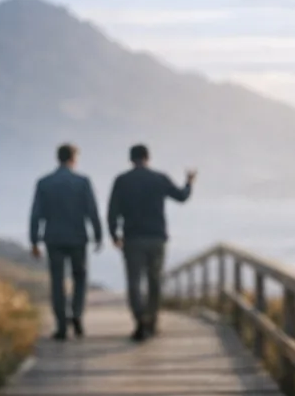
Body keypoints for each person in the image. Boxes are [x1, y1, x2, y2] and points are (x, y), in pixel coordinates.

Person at [107, 143, 196, 341]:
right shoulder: (159, 178)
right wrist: (189, 182)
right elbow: (181, 197)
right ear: (148, 158)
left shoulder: (122, 180)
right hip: (156, 238)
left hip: (132, 238)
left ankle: (140, 319)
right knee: (154, 280)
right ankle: (152, 320)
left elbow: (112, 211)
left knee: (134, 281)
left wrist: (114, 235)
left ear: (131, 159)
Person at [29, 143, 103, 340]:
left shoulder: (44, 183)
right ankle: (77, 314)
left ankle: (61, 326)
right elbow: (92, 210)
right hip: (78, 237)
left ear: (58, 158)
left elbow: (36, 214)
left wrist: (34, 241)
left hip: (53, 238)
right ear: (74, 158)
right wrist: (98, 235)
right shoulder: (83, 181)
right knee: (80, 277)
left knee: (57, 281)